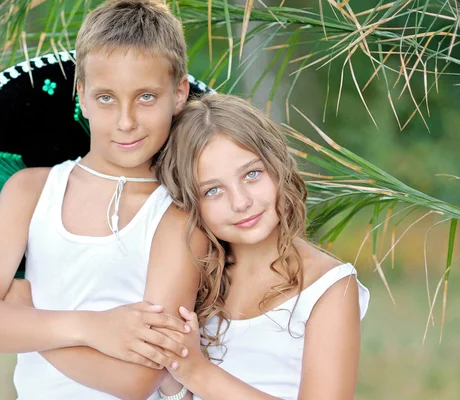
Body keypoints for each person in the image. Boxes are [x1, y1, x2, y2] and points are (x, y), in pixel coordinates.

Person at [0, 1, 206, 399]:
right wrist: (90, 326)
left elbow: (137, 381)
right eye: (106, 98)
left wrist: (24, 319)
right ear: (81, 96)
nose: (125, 120)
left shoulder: (178, 214)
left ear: (179, 94)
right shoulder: (30, 191)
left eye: (146, 97)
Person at [154, 94, 370, 400]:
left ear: (278, 165)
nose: (241, 202)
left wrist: (195, 370)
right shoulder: (196, 280)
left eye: (252, 174)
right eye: (213, 190)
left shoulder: (329, 287)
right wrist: (172, 377)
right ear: (189, 203)